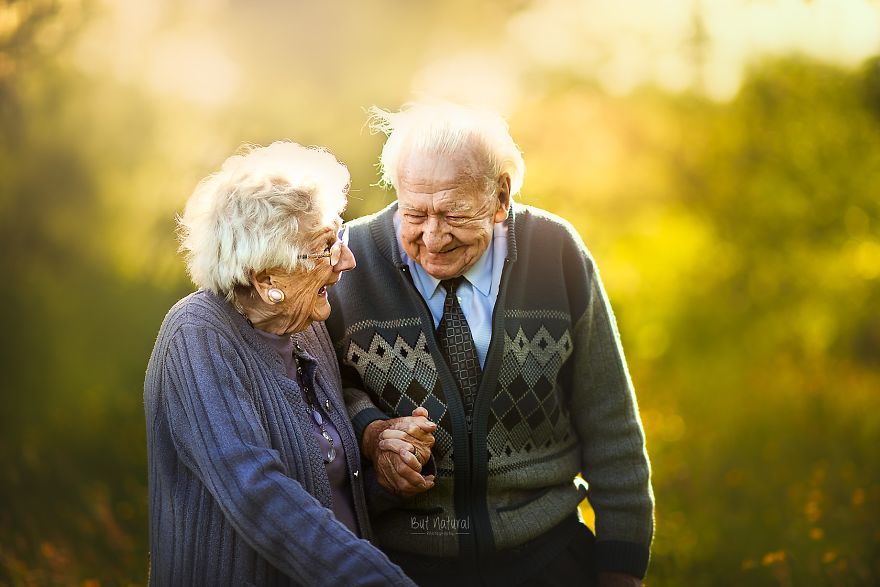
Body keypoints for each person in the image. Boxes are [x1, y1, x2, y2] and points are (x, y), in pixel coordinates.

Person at [325, 103, 654, 587]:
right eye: (415, 212)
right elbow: (315, 392)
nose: (433, 237)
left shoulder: (555, 253)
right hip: (399, 562)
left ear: (500, 197)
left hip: (546, 553)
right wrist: (372, 431)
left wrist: (622, 567)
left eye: (454, 213)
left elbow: (610, 421)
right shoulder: (349, 262)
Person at [143, 141, 419, 586]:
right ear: (267, 278)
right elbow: (258, 495)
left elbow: (326, 484)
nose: (346, 260)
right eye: (326, 246)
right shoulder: (197, 336)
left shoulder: (303, 326)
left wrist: (386, 468)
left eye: (339, 235)